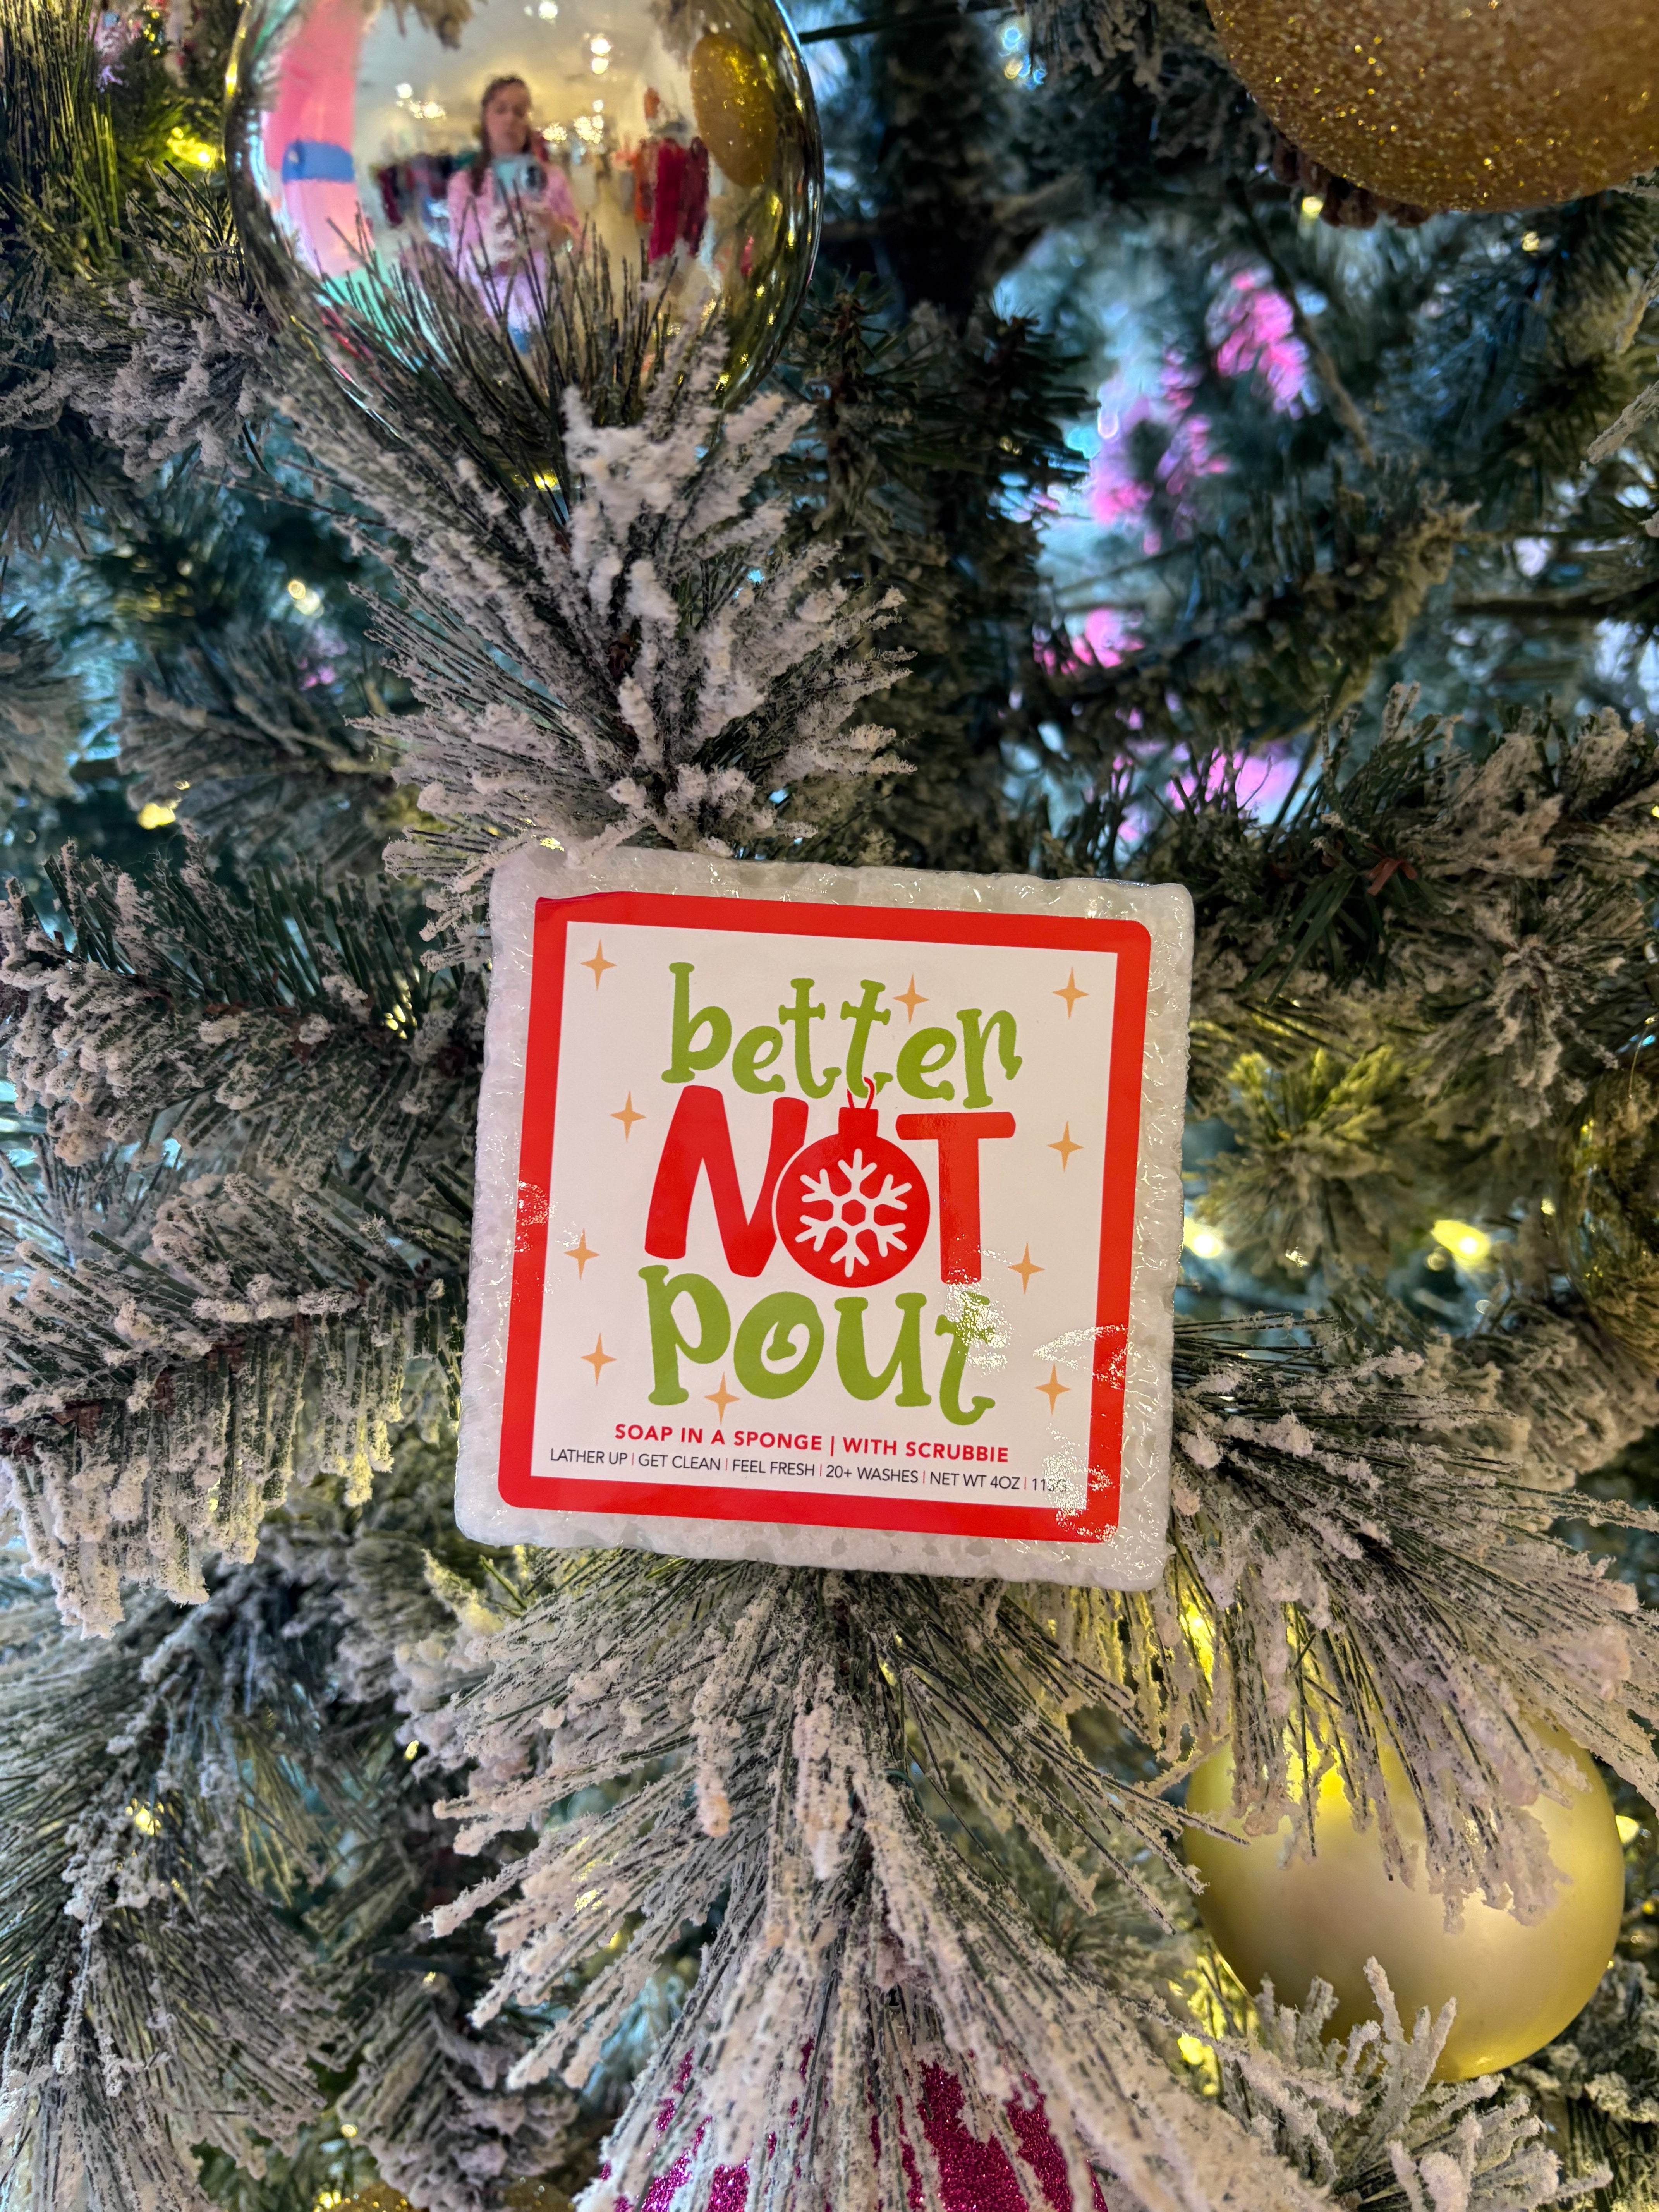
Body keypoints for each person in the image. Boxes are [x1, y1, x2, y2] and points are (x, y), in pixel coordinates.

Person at [445, 76, 579, 327]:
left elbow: (581, 247)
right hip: (502, 313)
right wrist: (487, 254)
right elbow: (461, 265)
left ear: (528, 123)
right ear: (485, 119)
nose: (510, 119)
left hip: (556, 304)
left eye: (519, 112)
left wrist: (558, 235)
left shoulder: (553, 178)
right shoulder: (464, 186)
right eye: (501, 109)